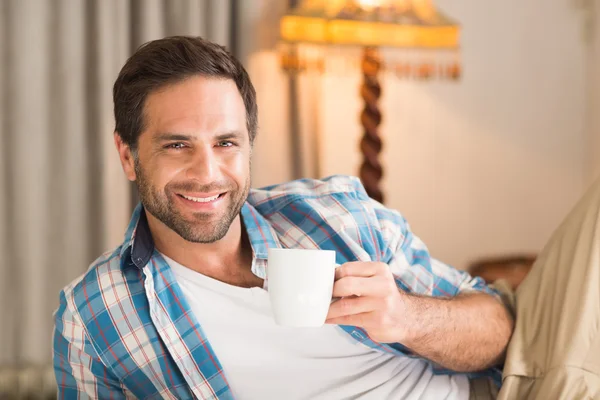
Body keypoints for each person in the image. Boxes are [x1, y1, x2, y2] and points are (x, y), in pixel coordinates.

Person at [50, 36, 594, 399]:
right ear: (127, 155)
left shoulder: (335, 212)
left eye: (226, 143)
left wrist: (406, 316)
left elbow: (501, 330)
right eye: (176, 145)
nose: (208, 172)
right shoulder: (94, 318)